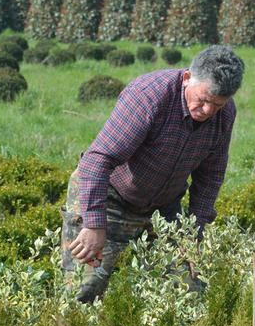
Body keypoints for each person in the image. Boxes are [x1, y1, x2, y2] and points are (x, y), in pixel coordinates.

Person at [60, 45, 244, 303]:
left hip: (164, 206)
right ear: (187, 78)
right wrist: (94, 224)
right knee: (85, 288)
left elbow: (210, 176)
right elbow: (98, 160)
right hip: (109, 195)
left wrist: (193, 236)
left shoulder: (224, 115)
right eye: (203, 100)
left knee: (188, 289)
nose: (207, 112)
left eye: (217, 105)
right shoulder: (149, 97)